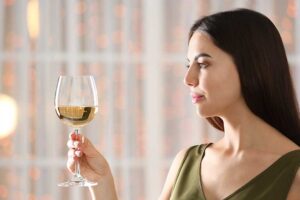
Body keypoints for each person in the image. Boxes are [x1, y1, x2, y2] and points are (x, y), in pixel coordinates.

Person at [66, 8, 300, 200]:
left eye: (204, 64)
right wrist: (101, 181)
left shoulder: (294, 173)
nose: (188, 79)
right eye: (188, 65)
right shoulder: (187, 162)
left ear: (249, 66)